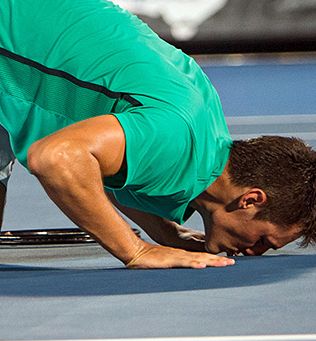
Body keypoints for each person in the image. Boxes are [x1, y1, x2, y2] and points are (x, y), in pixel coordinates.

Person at [0, 0, 315, 269]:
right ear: (251, 199)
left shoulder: (203, 134)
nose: (253, 252)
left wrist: (165, 233)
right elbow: (56, 158)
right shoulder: (174, 137)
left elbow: (111, 164)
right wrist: (136, 250)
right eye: (263, 241)